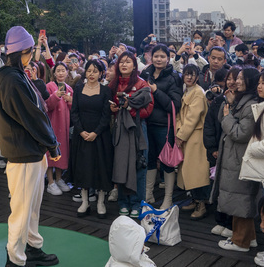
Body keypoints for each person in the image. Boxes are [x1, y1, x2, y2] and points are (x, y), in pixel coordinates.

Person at [0, 26, 61, 267]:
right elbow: (33, 117)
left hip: (29, 152)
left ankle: (32, 248)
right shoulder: (11, 79)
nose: (33, 54)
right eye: (31, 50)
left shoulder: (15, 75)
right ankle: (15, 260)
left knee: (31, 208)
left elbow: (35, 113)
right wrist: (51, 143)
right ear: (22, 52)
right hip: (23, 153)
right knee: (22, 212)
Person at [211, 67, 261, 253]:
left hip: (239, 156)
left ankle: (240, 241)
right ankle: (250, 237)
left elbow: (240, 133)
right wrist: (229, 105)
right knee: (238, 195)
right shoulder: (240, 100)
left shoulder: (250, 105)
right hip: (234, 155)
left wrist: (227, 115)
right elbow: (222, 119)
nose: (236, 81)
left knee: (241, 197)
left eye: (240, 78)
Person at [109, 51, 153, 218]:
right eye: (121, 62)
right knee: (120, 165)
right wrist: (112, 109)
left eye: (128, 62)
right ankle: (123, 202)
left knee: (139, 165)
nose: (124, 65)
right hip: (119, 128)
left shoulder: (142, 84)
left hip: (137, 129)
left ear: (135, 65)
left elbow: (148, 110)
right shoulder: (113, 85)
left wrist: (129, 109)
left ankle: (137, 202)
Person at [140, 44, 182, 209]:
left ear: (168, 58)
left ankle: (168, 198)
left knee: (167, 162)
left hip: (164, 126)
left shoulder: (174, 77)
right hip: (146, 123)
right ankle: (148, 193)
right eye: (155, 56)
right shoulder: (145, 73)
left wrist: (156, 91)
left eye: (162, 56)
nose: (158, 59)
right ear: (150, 57)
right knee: (149, 159)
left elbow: (174, 105)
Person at [69, 59, 113, 218]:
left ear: (101, 73)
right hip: (81, 135)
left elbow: (106, 115)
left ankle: (101, 202)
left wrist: (96, 132)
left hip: (100, 136)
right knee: (83, 167)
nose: (91, 74)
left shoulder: (106, 90)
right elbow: (74, 112)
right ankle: (85, 201)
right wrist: (81, 131)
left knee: (101, 167)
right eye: (89, 71)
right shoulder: (79, 88)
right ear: (85, 72)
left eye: (95, 71)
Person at [203, 65, 235, 237]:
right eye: (228, 79)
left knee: (232, 189)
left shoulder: (241, 102)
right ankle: (220, 219)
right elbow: (209, 125)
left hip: (234, 152)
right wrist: (212, 148)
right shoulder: (218, 100)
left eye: (234, 79)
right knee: (219, 187)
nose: (230, 82)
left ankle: (231, 224)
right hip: (218, 149)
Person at [176, 63, 211, 220]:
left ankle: (201, 204)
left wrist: (180, 135)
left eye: (192, 74)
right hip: (188, 136)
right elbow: (180, 116)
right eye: (186, 74)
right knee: (191, 172)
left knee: (197, 173)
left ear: (197, 77)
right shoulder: (188, 91)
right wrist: (179, 131)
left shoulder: (198, 93)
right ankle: (195, 200)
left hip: (196, 137)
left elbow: (192, 118)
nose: (189, 77)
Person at [44, 62, 73, 196]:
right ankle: (50, 182)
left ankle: (59, 178)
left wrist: (70, 100)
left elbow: (73, 109)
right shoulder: (49, 86)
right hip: (52, 125)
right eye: (58, 71)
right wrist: (56, 95)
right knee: (51, 153)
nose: (61, 73)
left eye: (63, 70)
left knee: (62, 153)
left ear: (67, 72)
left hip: (64, 126)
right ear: (54, 73)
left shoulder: (69, 89)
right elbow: (47, 105)